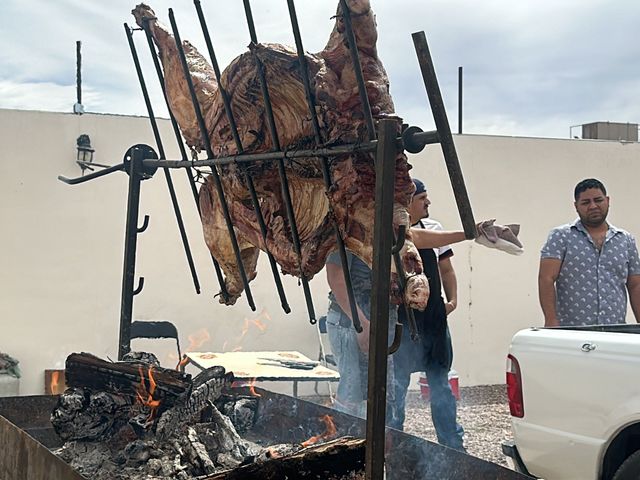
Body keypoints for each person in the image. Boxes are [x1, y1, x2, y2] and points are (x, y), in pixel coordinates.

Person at [389, 178, 465, 451]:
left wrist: (453, 301)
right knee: (396, 387)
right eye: (422, 198)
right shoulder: (392, 232)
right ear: (407, 203)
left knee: (440, 385)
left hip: (433, 321)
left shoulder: (435, 228)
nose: (428, 202)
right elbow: (415, 239)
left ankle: (452, 444)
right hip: (402, 323)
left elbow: (446, 269)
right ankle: (393, 444)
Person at [539, 178, 640, 327]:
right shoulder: (561, 236)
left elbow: (635, 285)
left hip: (614, 331)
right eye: (586, 202)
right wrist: (551, 320)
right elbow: (546, 278)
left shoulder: (626, 240)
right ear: (576, 206)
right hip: (572, 330)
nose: (593, 206)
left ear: (607, 200)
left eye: (598, 200)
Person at [325, 250, 397, 424]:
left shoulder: (394, 230)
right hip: (350, 323)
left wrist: (465, 234)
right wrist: (362, 324)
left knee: (382, 392)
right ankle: (346, 445)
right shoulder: (348, 227)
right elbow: (335, 276)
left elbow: (417, 237)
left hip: (382, 322)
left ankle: (379, 446)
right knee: (352, 395)